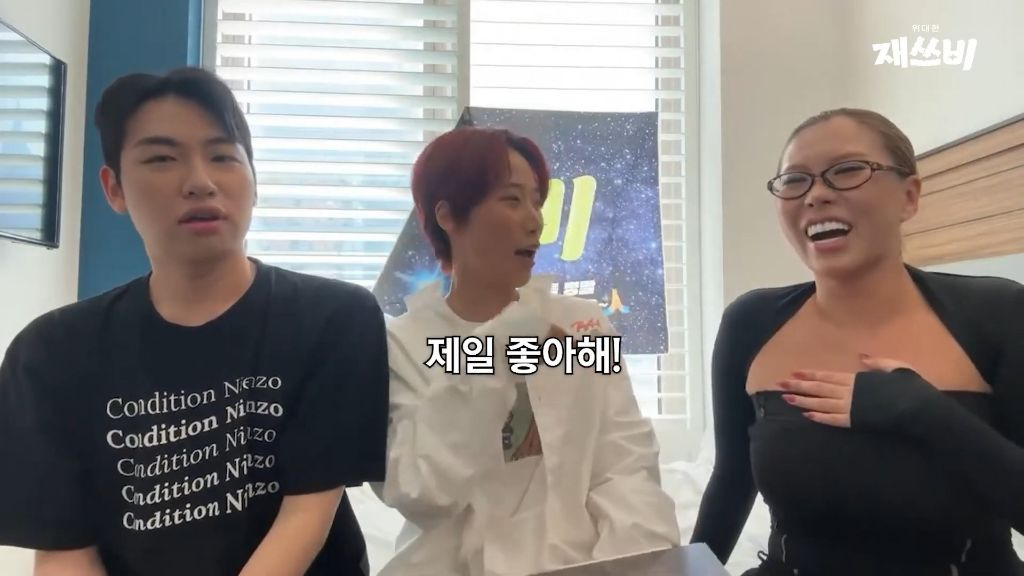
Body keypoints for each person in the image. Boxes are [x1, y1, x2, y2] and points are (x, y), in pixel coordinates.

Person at [0, 67, 389, 576]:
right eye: (162, 159)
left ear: (254, 180)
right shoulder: (50, 353)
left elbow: (306, 515)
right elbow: (63, 549)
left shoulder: (334, 318)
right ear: (114, 188)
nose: (201, 182)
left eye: (223, 156)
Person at [689, 107, 1024, 575]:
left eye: (847, 171)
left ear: (909, 196)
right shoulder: (750, 322)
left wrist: (924, 412)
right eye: (795, 181)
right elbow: (731, 480)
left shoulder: (997, 313)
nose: (816, 195)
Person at [374, 126, 681, 576]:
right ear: (448, 215)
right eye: (512, 200)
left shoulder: (583, 327)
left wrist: (628, 564)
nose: (535, 221)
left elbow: (624, 466)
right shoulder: (402, 345)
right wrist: (502, 345)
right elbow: (423, 490)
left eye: (537, 201)